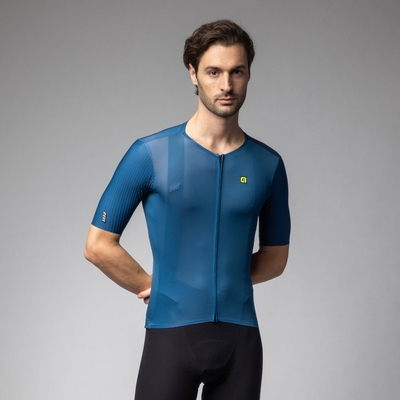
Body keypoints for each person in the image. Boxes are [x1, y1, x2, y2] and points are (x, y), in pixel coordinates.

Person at [84, 19, 290, 400]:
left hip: (241, 344)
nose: (226, 85)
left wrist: (225, 278)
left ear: (248, 74)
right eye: (213, 72)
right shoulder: (150, 154)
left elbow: (276, 259)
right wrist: (156, 284)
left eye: (237, 72)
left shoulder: (268, 165)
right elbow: (98, 245)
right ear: (193, 73)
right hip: (170, 339)